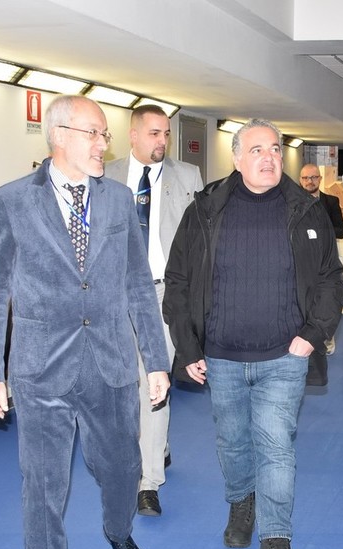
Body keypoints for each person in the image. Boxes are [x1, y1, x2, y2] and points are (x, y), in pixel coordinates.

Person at [0, 95, 170, 549]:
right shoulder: (11, 200)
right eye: (95, 134)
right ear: (59, 134)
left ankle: (119, 531)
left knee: (122, 468)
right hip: (40, 369)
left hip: (109, 363)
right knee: (43, 486)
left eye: (106, 135)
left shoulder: (118, 199)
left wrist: (156, 360)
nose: (104, 144)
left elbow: (137, 284)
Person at [163, 118, 343, 549]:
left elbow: (330, 277)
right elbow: (178, 281)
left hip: (284, 356)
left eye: (275, 149)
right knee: (233, 442)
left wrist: (312, 333)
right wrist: (188, 347)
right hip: (221, 357)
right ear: (238, 158)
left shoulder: (306, 210)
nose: (269, 158)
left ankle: (276, 542)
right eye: (258, 150)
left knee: (276, 446)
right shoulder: (205, 210)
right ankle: (241, 502)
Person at [105, 104, 204, 516]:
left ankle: (147, 482)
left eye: (166, 133)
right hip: (115, 296)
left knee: (154, 381)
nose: (163, 141)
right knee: (124, 384)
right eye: (154, 133)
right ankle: (156, 446)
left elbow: (200, 240)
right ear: (132, 135)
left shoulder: (188, 176)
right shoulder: (104, 175)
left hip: (163, 294)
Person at [299, 163, 343, 355]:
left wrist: (318, 232)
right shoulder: (293, 203)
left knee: (325, 300)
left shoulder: (331, 202)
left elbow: (341, 231)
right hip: (302, 260)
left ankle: (326, 341)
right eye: (305, 178)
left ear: (319, 179)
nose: (309, 181)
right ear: (300, 180)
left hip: (325, 260)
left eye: (313, 177)